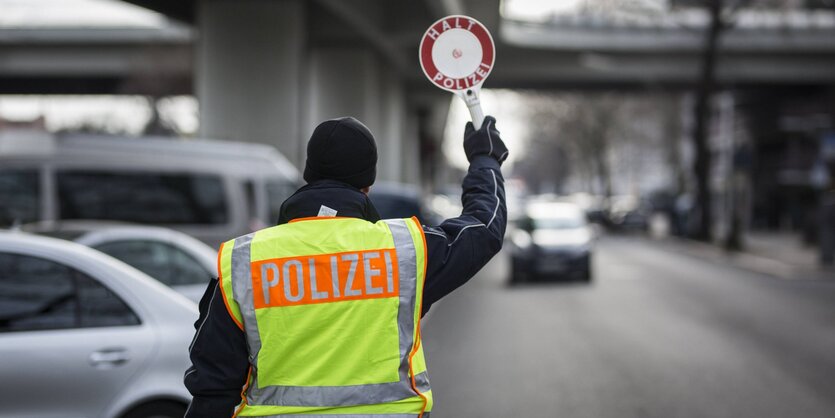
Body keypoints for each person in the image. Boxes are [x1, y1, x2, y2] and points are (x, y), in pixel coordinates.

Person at [184, 115, 508, 417]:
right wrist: (485, 160)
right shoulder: (405, 253)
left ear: (309, 174)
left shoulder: (245, 261)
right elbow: (483, 227)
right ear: (368, 183)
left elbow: (213, 385)